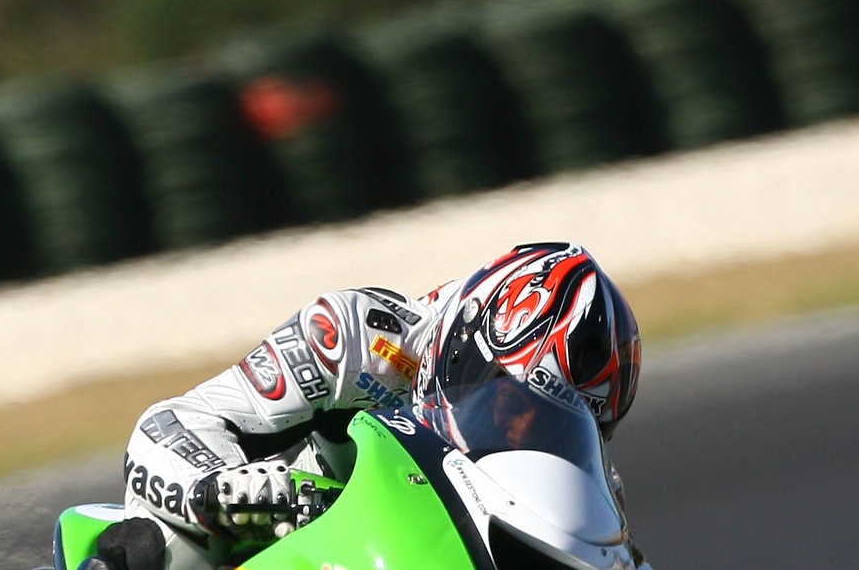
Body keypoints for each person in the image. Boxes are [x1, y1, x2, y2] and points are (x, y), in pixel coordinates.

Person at [93, 241, 642, 570]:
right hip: (275, 538)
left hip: (412, 556)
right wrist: (220, 488)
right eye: (508, 401)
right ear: (463, 348)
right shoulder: (359, 341)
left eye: (560, 428)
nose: (524, 430)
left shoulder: (583, 473)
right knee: (162, 549)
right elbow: (169, 425)